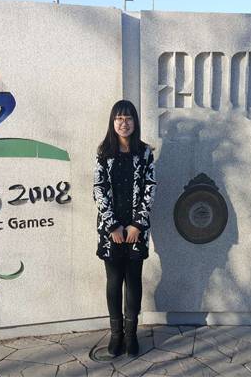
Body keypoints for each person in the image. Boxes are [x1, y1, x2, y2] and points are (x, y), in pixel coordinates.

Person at [93, 100, 156, 357]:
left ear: (135, 122)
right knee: (113, 281)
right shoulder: (104, 152)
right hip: (111, 232)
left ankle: (131, 334)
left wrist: (137, 225)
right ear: (113, 122)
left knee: (133, 281)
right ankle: (116, 334)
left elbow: (150, 188)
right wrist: (113, 226)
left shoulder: (145, 152)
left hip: (136, 231)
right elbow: (98, 190)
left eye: (129, 118)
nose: (124, 123)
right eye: (119, 118)